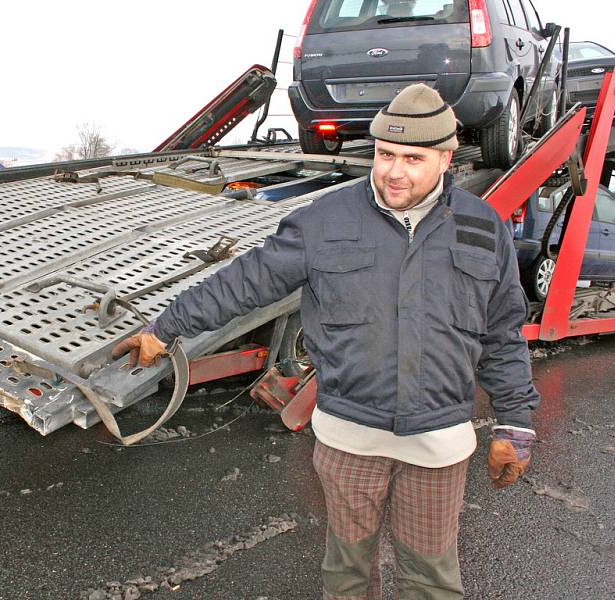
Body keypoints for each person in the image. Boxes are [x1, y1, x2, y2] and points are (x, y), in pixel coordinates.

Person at [113, 83, 540, 599]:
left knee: (432, 581)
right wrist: (166, 327)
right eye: (385, 155)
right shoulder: (325, 220)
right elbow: (246, 280)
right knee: (347, 575)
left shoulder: (482, 227)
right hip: (349, 439)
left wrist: (515, 423)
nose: (394, 171)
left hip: (438, 443)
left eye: (412, 157)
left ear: (447, 158)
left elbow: (502, 332)